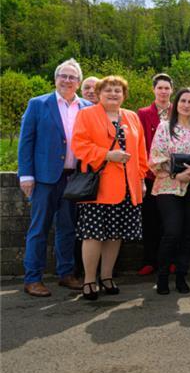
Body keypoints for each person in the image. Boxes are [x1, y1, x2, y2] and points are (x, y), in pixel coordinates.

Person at [17, 58, 91, 296]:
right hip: (44, 179)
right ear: (56, 79)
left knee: (68, 229)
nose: (67, 80)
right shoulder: (38, 104)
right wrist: (26, 175)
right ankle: (32, 279)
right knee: (39, 229)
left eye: (72, 77)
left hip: (74, 179)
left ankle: (66, 274)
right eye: (63, 76)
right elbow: (26, 141)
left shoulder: (87, 107)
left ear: (78, 83)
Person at [71, 76, 149, 300]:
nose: (114, 94)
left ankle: (106, 276)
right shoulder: (86, 115)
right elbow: (79, 146)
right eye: (108, 90)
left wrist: (141, 179)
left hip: (127, 187)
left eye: (118, 90)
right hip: (99, 186)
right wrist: (107, 155)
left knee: (115, 234)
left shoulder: (132, 117)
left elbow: (141, 152)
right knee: (93, 234)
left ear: (124, 95)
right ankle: (89, 280)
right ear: (98, 94)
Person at [149, 88, 190, 295]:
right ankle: (162, 277)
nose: (186, 105)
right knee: (172, 232)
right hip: (169, 187)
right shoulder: (164, 128)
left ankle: (181, 276)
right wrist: (176, 175)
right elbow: (155, 157)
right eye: (183, 101)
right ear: (176, 104)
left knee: (188, 234)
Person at [137, 73, 174, 276]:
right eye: (160, 88)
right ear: (153, 90)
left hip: (172, 176)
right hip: (150, 175)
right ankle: (149, 260)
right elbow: (139, 144)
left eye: (166, 88)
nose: (163, 91)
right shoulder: (142, 114)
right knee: (150, 220)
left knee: (170, 221)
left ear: (171, 90)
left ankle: (169, 261)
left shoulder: (177, 112)